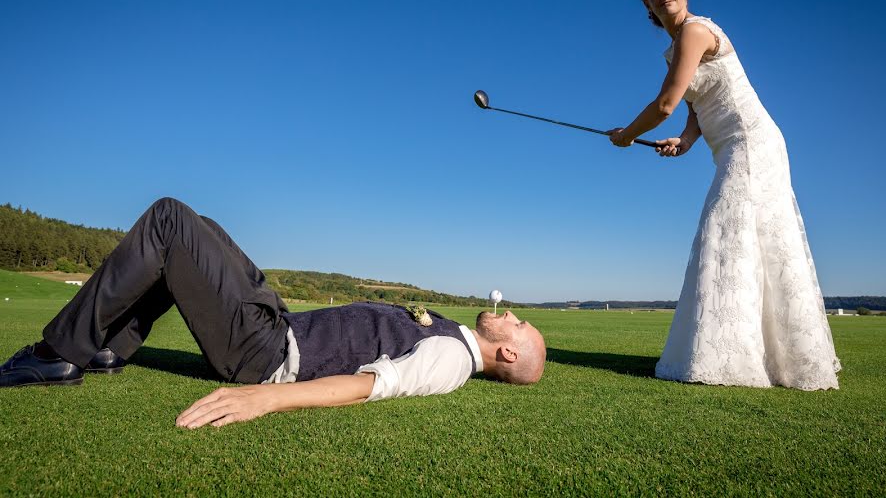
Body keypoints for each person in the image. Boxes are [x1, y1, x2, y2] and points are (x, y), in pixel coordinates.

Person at [0, 198, 546, 427]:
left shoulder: (451, 359)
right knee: (199, 230)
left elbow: (374, 386)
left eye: (519, 324)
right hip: (278, 325)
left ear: (509, 350)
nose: (512, 315)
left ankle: (58, 353)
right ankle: (110, 348)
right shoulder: (453, 336)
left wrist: (266, 397)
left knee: (169, 221)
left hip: (268, 355)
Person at [608, 0, 840, 390]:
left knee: (726, 231)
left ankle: (740, 358)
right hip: (729, 146)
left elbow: (665, 104)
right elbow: (694, 108)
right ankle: (750, 355)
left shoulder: (695, 31)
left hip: (751, 144)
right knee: (740, 237)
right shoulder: (675, 47)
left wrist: (626, 135)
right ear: (646, 2)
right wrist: (685, 140)